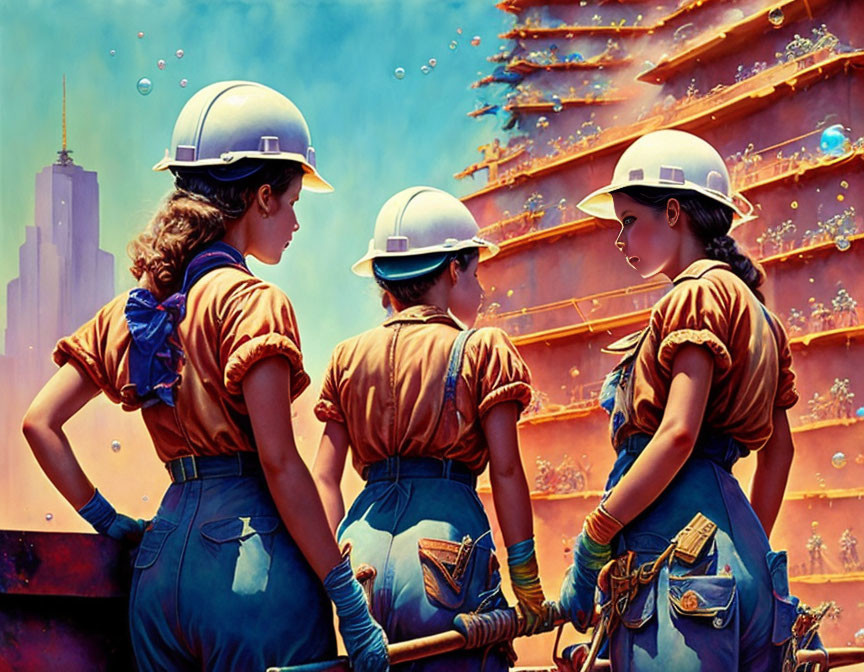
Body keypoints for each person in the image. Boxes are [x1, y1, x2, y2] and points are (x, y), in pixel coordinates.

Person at [22, 80, 388, 672]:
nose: (295, 221)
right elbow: (279, 463)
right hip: (251, 568)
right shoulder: (253, 303)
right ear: (262, 197)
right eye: (293, 201)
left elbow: (39, 423)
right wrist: (345, 595)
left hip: (159, 574)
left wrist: (108, 521)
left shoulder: (130, 310)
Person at [558, 129, 802, 671]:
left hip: (675, 550)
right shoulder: (763, 316)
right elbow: (779, 453)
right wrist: (741, 553)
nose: (620, 240)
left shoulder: (693, 293)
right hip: (738, 551)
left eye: (628, 221)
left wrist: (595, 536)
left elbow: (678, 433)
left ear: (673, 213)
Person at [312, 186, 547, 671]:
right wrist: (525, 576)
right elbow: (505, 471)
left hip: (361, 558)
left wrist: (334, 574)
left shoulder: (347, 356)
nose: (480, 288)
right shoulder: (483, 348)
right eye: (476, 272)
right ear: (454, 268)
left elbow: (323, 479)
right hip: (445, 555)